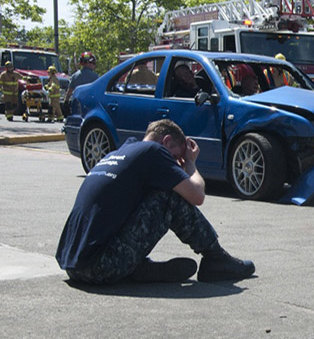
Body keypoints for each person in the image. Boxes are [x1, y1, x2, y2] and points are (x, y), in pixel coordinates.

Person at [56, 119, 256, 284]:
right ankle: (216, 259)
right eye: (176, 157)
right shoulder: (153, 152)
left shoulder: (120, 153)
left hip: (75, 267)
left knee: (155, 193)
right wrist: (190, 164)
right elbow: (197, 196)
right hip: (101, 266)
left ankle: (138, 269)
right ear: (167, 141)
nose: (176, 164)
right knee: (169, 196)